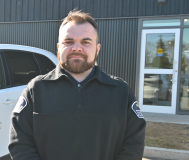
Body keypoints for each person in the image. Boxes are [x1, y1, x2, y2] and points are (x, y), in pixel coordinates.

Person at [8, 9, 146, 160]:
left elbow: (134, 144)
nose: (77, 48)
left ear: (97, 49)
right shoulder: (36, 90)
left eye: (86, 42)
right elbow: (20, 143)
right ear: (59, 48)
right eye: (69, 42)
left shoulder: (121, 92)